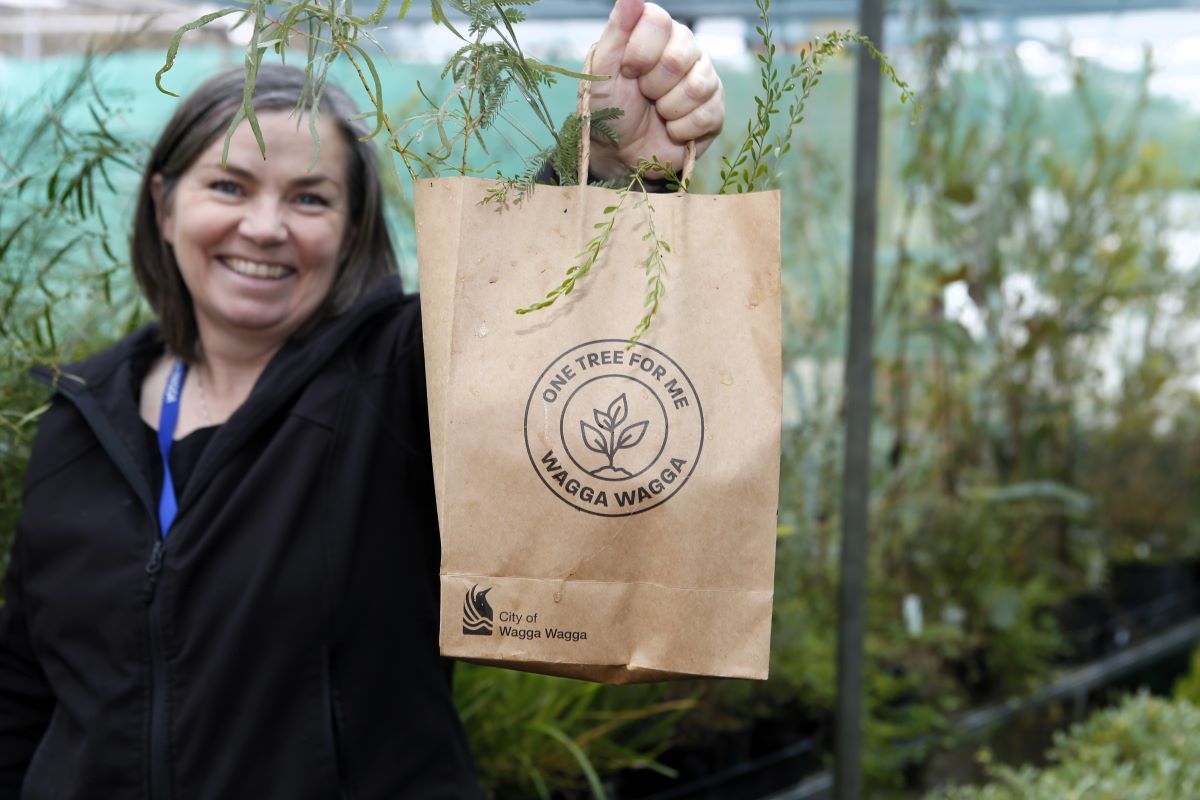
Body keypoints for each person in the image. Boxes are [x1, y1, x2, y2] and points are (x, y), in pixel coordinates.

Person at [0, 0, 724, 797]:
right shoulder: (80, 413)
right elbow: (27, 688)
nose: (265, 226)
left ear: (351, 232)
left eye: (310, 199)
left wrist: (612, 167)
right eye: (230, 186)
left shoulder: (395, 381)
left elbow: (530, 318)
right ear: (165, 203)